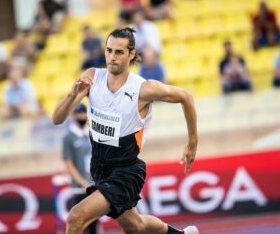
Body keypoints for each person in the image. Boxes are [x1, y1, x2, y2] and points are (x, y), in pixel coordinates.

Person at [52, 27, 198, 234]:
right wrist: (72, 95)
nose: (112, 57)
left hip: (126, 171)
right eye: (108, 50)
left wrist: (192, 143)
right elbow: (57, 118)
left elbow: (186, 97)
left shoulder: (143, 89)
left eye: (119, 52)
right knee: (135, 226)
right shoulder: (93, 78)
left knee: (76, 217)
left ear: (131, 54)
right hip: (100, 168)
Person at [62, 103, 99, 234]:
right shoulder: (69, 137)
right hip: (80, 186)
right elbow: (68, 163)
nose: (82, 116)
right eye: (79, 113)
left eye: (83, 113)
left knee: (95, 220)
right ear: (74, 116)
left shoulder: (91, 132)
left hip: (94, 183)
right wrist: (82, 182)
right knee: (80, 220)